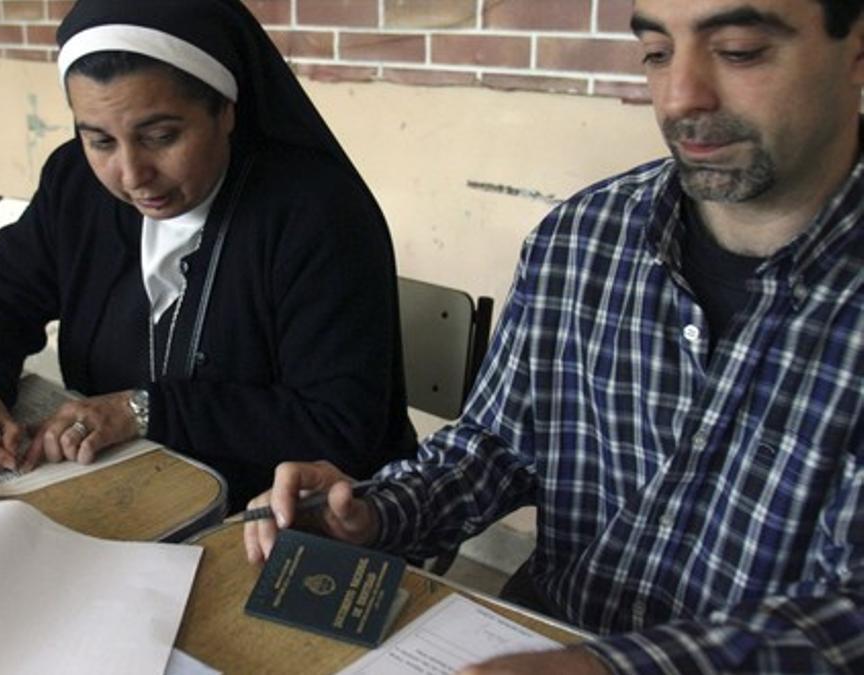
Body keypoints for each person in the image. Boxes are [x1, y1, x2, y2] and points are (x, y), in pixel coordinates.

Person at [245, 1, 864, 672]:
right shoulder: (582, 238)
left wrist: (615, 668)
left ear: (856, 49)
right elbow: (498, 443)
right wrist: (370, 513)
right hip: (540, 631)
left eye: (740, 50)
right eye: (656, 53)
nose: (681, 96)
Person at [0, 0, 416, 510]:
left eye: (161, 137)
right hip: (126, 492)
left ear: (225, 109)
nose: (133, 175)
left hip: (285, 510)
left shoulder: (315, 212)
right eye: (100, 141)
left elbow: (338, 423)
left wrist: (142, 411)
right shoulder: (77, 185)